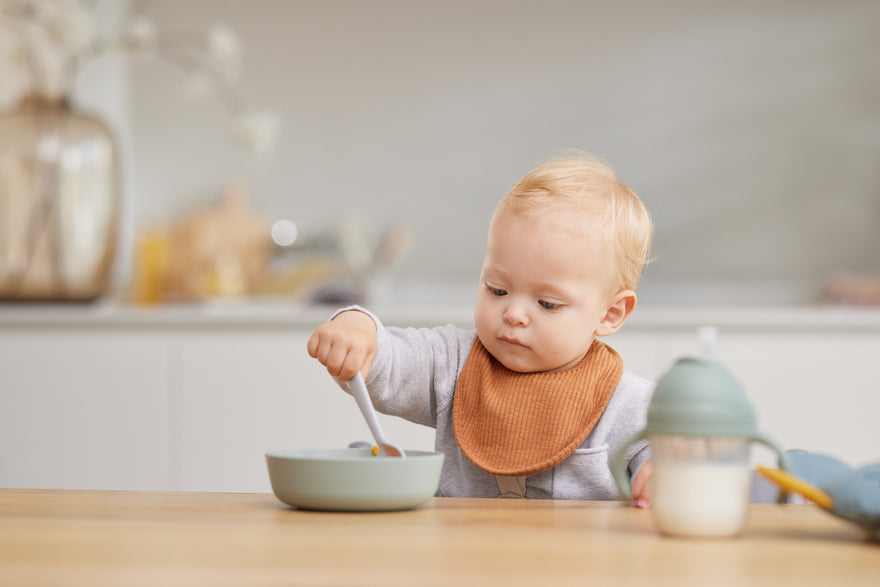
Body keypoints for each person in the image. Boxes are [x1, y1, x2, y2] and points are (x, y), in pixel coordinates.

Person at [307, 151, 655, 507]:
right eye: (497, 290)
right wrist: (358, 331)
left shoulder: (630, 404)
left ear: (610, 313)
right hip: (460, 558)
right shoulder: (452, 364)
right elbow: (390, 360)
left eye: (547, 304)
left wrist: (667, 472)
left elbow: (677, 448)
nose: (514, 313)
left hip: (578, 562)